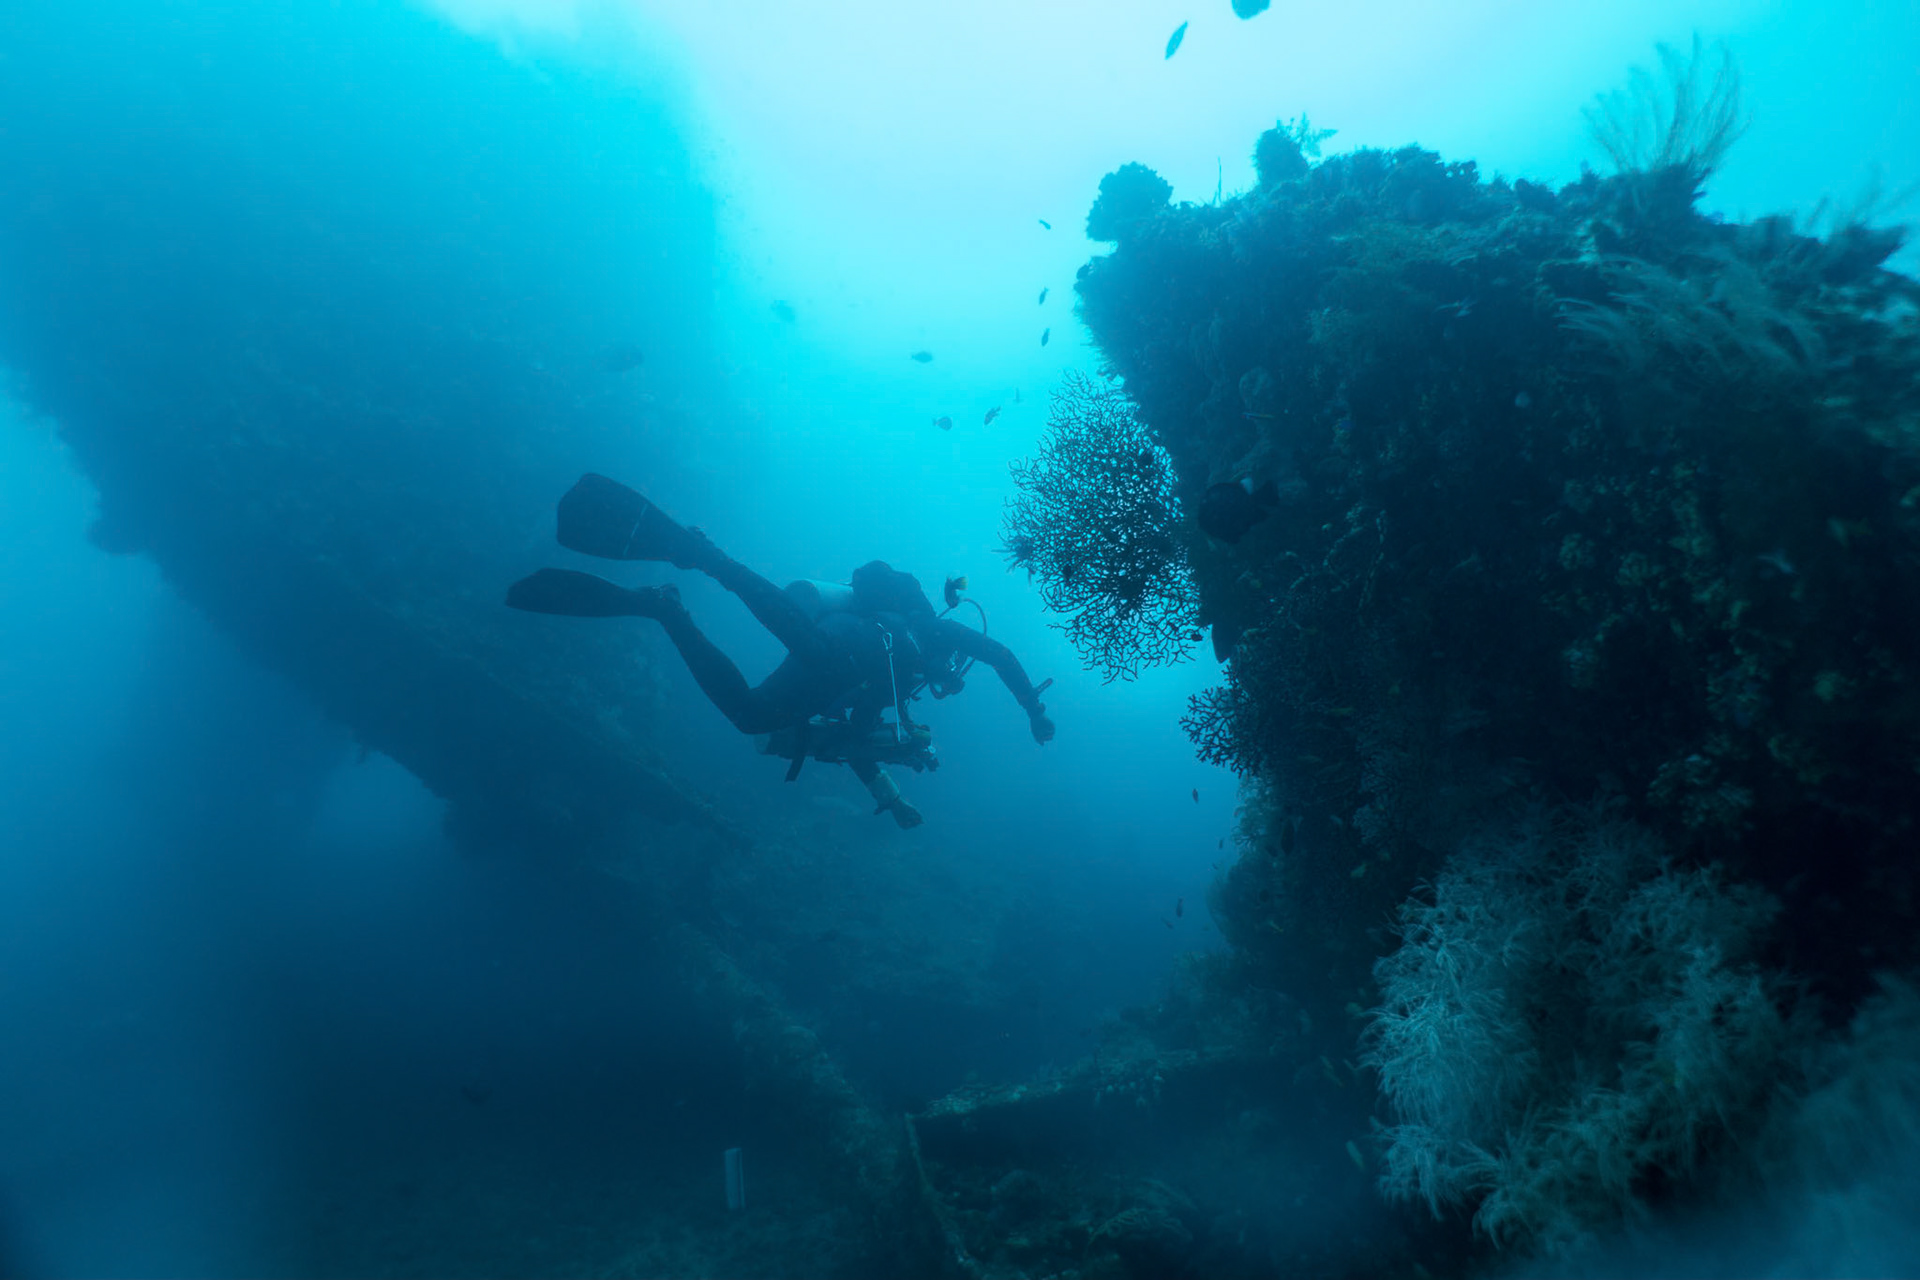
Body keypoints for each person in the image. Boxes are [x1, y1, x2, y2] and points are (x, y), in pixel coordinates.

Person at [506, 473, 1055, 828]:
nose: (947, 681)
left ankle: (666, 609)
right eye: (953, 676)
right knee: (813, 648)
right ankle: (706, 556)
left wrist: (890, 799)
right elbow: (1002, 655)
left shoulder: (893, 689)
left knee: (751, 716)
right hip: (843, 645)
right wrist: (1034, 710)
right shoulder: (929, 630)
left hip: (835, 660)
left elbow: (856, 741)